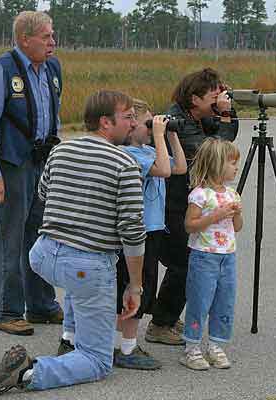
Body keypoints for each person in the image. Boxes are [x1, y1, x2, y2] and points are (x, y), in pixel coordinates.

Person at [0, 90, 146, 396]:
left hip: (43, 256)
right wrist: (134, 286)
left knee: (78, 284)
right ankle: (28, 372)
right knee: (97, 361)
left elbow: (43, 194)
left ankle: (72, 335)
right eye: (128, 117)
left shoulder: (60, 151)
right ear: (106, 122)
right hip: (86, 266)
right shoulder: (125, 163)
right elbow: (132, 232)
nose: (133, 124)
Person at [0, 11, 63, 336]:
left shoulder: (52, 69)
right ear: (25, 39)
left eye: (53, 36)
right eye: (46, 37)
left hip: (42, 164)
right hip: (11, 167)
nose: (52, 42)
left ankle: (40, 305)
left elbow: (55, 116)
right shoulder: (1, 70)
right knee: (10, 240)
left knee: (42, 237)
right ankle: (8, 310)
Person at [146, 68, 239, 345]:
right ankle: (160, 324)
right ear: (194, 98)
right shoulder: (176, 122)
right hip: (170, 206)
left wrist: (225, 113)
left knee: (184, 262)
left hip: (183, 203)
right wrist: (222, 114)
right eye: (213, 97)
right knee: (185, 264)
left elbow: (228, 135)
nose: (218, 100)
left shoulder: (197, 118)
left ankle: (167, 317)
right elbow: (215, 151)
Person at [111, 99, 187, 370]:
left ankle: (124, 343)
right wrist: (158, 136)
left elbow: (179, 168)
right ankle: (125, 346)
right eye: (147, 123)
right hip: (137, 232)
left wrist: (171, 134)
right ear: (131, 128)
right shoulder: (131, 154)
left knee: (145, 287)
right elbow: (165, 170)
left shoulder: (147, 149)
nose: (151, 128)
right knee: (133, 288)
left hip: (153, 230)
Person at [180, 138, 243, 370]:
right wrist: (216, 215)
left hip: (227, 255)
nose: (236, 167)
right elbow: (190, 225)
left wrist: (236, 213)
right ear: (217, 164)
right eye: (232, 163)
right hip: (204, 256)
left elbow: (237, 227)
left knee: (224, 300)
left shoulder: (232, 194)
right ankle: (192, 347)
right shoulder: (200, 195)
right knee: (200, 301)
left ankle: (216, 344)